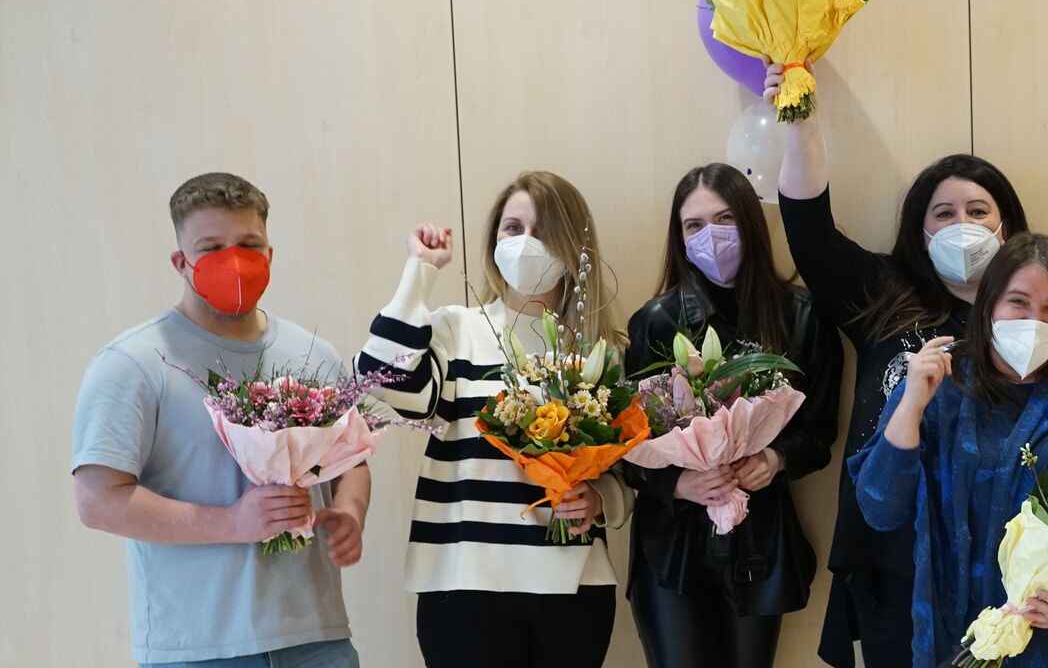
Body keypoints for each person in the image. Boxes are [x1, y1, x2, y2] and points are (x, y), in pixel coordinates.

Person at [765, 64, 1048, 668]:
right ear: (919, 229)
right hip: (898, 554)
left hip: (1030, 585)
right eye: (943, 213)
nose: (961, 226)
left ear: (1007, 227)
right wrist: (798, 114)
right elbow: (807, 231)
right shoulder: (882, 293)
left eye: (978, 210)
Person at [73, 172, 367, 667]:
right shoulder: (133, 363)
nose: (234, 261)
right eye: (211, 247)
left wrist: (352, 512)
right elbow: (99, 502)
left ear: (270, 254)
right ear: (180, 262)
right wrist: (232, 522)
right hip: (198, 649)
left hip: (318, 639)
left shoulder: (313, 355)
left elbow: (352, 459)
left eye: (249, 244)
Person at [357, 171, 632, 667]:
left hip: (575, 584)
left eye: (545, 231)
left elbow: (628, 470)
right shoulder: (456, 329)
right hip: (464, 582)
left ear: (573, 246)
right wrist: (419, 271)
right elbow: (378, 379)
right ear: (493, 239)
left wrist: (599, 499)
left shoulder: (597, 349)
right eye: (513, 227)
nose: (527, 243)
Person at [850, 232, 1048, 668]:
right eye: (1018, 302)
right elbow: (880, 509)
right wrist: (912, 401)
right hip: (951, 635)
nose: (1035, 320)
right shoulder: (940, 381)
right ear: (988, 304)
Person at [619, 162, 843, 668]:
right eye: (693, 225)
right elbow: (625, 450)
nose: (710, 236)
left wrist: (777, 459)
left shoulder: (803, 318)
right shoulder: (657, 321)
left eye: (724, 219)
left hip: (759, 543)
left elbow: (821, 433)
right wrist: (677, 484)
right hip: (672, 549)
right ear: (679, 238)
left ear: (750, 223)